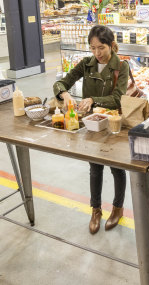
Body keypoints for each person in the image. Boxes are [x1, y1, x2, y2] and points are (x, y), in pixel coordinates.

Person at [53, 25, 129, 234]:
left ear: (112, 45)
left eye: (101, 48)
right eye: (93, 48)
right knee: (95, 167)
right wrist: (64, 95)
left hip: (113, 123)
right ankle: (96, 210)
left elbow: (117, 99)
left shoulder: (121, 67)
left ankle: (117, 208)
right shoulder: (86, 64)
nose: (97, 53)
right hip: (91, 124)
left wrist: (93, 99)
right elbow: (61, 83)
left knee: (117, 168)